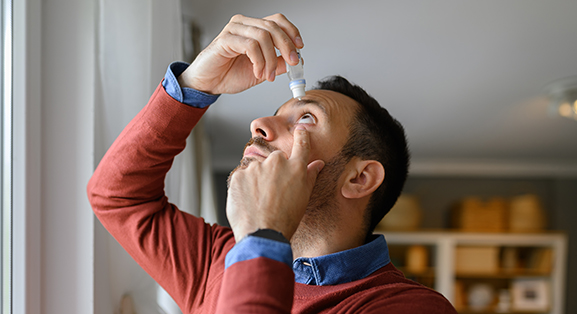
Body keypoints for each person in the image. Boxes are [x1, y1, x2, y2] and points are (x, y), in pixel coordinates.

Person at [88, 13, 457, 314]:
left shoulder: (406, 307)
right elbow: (118, 196)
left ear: (359, 177)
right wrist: (195, 84)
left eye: (307, 118)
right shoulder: (219, 261)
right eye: (276, 114)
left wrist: (263, 237)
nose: (259, 125)